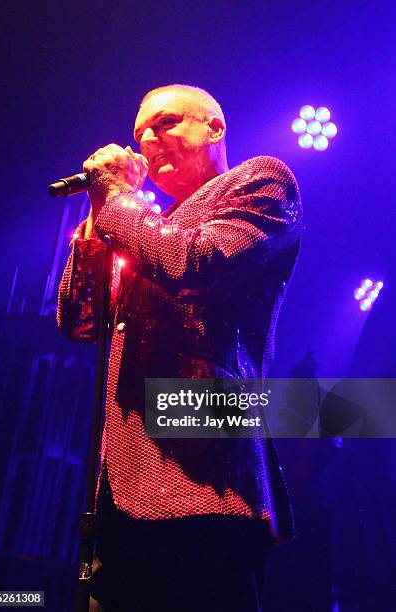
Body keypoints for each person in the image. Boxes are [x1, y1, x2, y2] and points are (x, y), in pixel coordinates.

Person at [57, 84, 302, 611]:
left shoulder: (261, 181)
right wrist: (100, 225)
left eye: (167, 123)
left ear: (214, 128)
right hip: (123, 483)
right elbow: (79, 322)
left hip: (209, 467)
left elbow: (192, 264)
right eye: (141, 131)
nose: (148, 138)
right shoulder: (148, 226)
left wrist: (119, 202)